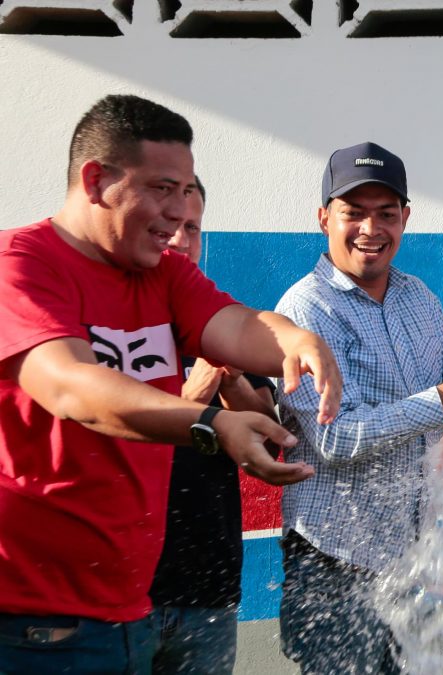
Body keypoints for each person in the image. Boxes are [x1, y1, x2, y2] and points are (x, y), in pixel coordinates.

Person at [0, 94, 341, 674]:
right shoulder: (20, 264)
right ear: (95, 180)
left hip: (132, 608)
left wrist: (295, 339)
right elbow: (71, 387)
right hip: (32, 623)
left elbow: (233, 324)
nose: (181, 212)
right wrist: (212, 425)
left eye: (186, 192)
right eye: (163, 188)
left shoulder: (163, 273)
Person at [274, 141, 443, 674]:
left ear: (405, 219)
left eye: (386, 214)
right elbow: (334, 438)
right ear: (324, 216)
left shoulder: (418, 298)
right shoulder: (304, 310)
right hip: (334, 567)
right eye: (354, 212)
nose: (371, 229)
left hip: (407, 563)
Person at [149, 178, 277, 674]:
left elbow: (269, 429)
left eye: (192, 228)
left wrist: (234, 381)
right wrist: (195, 394)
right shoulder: (113, 326)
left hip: (209, 590)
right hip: (128, 593)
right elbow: (115, 434)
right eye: (169, 226)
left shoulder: (218, 321)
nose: (181, 239)